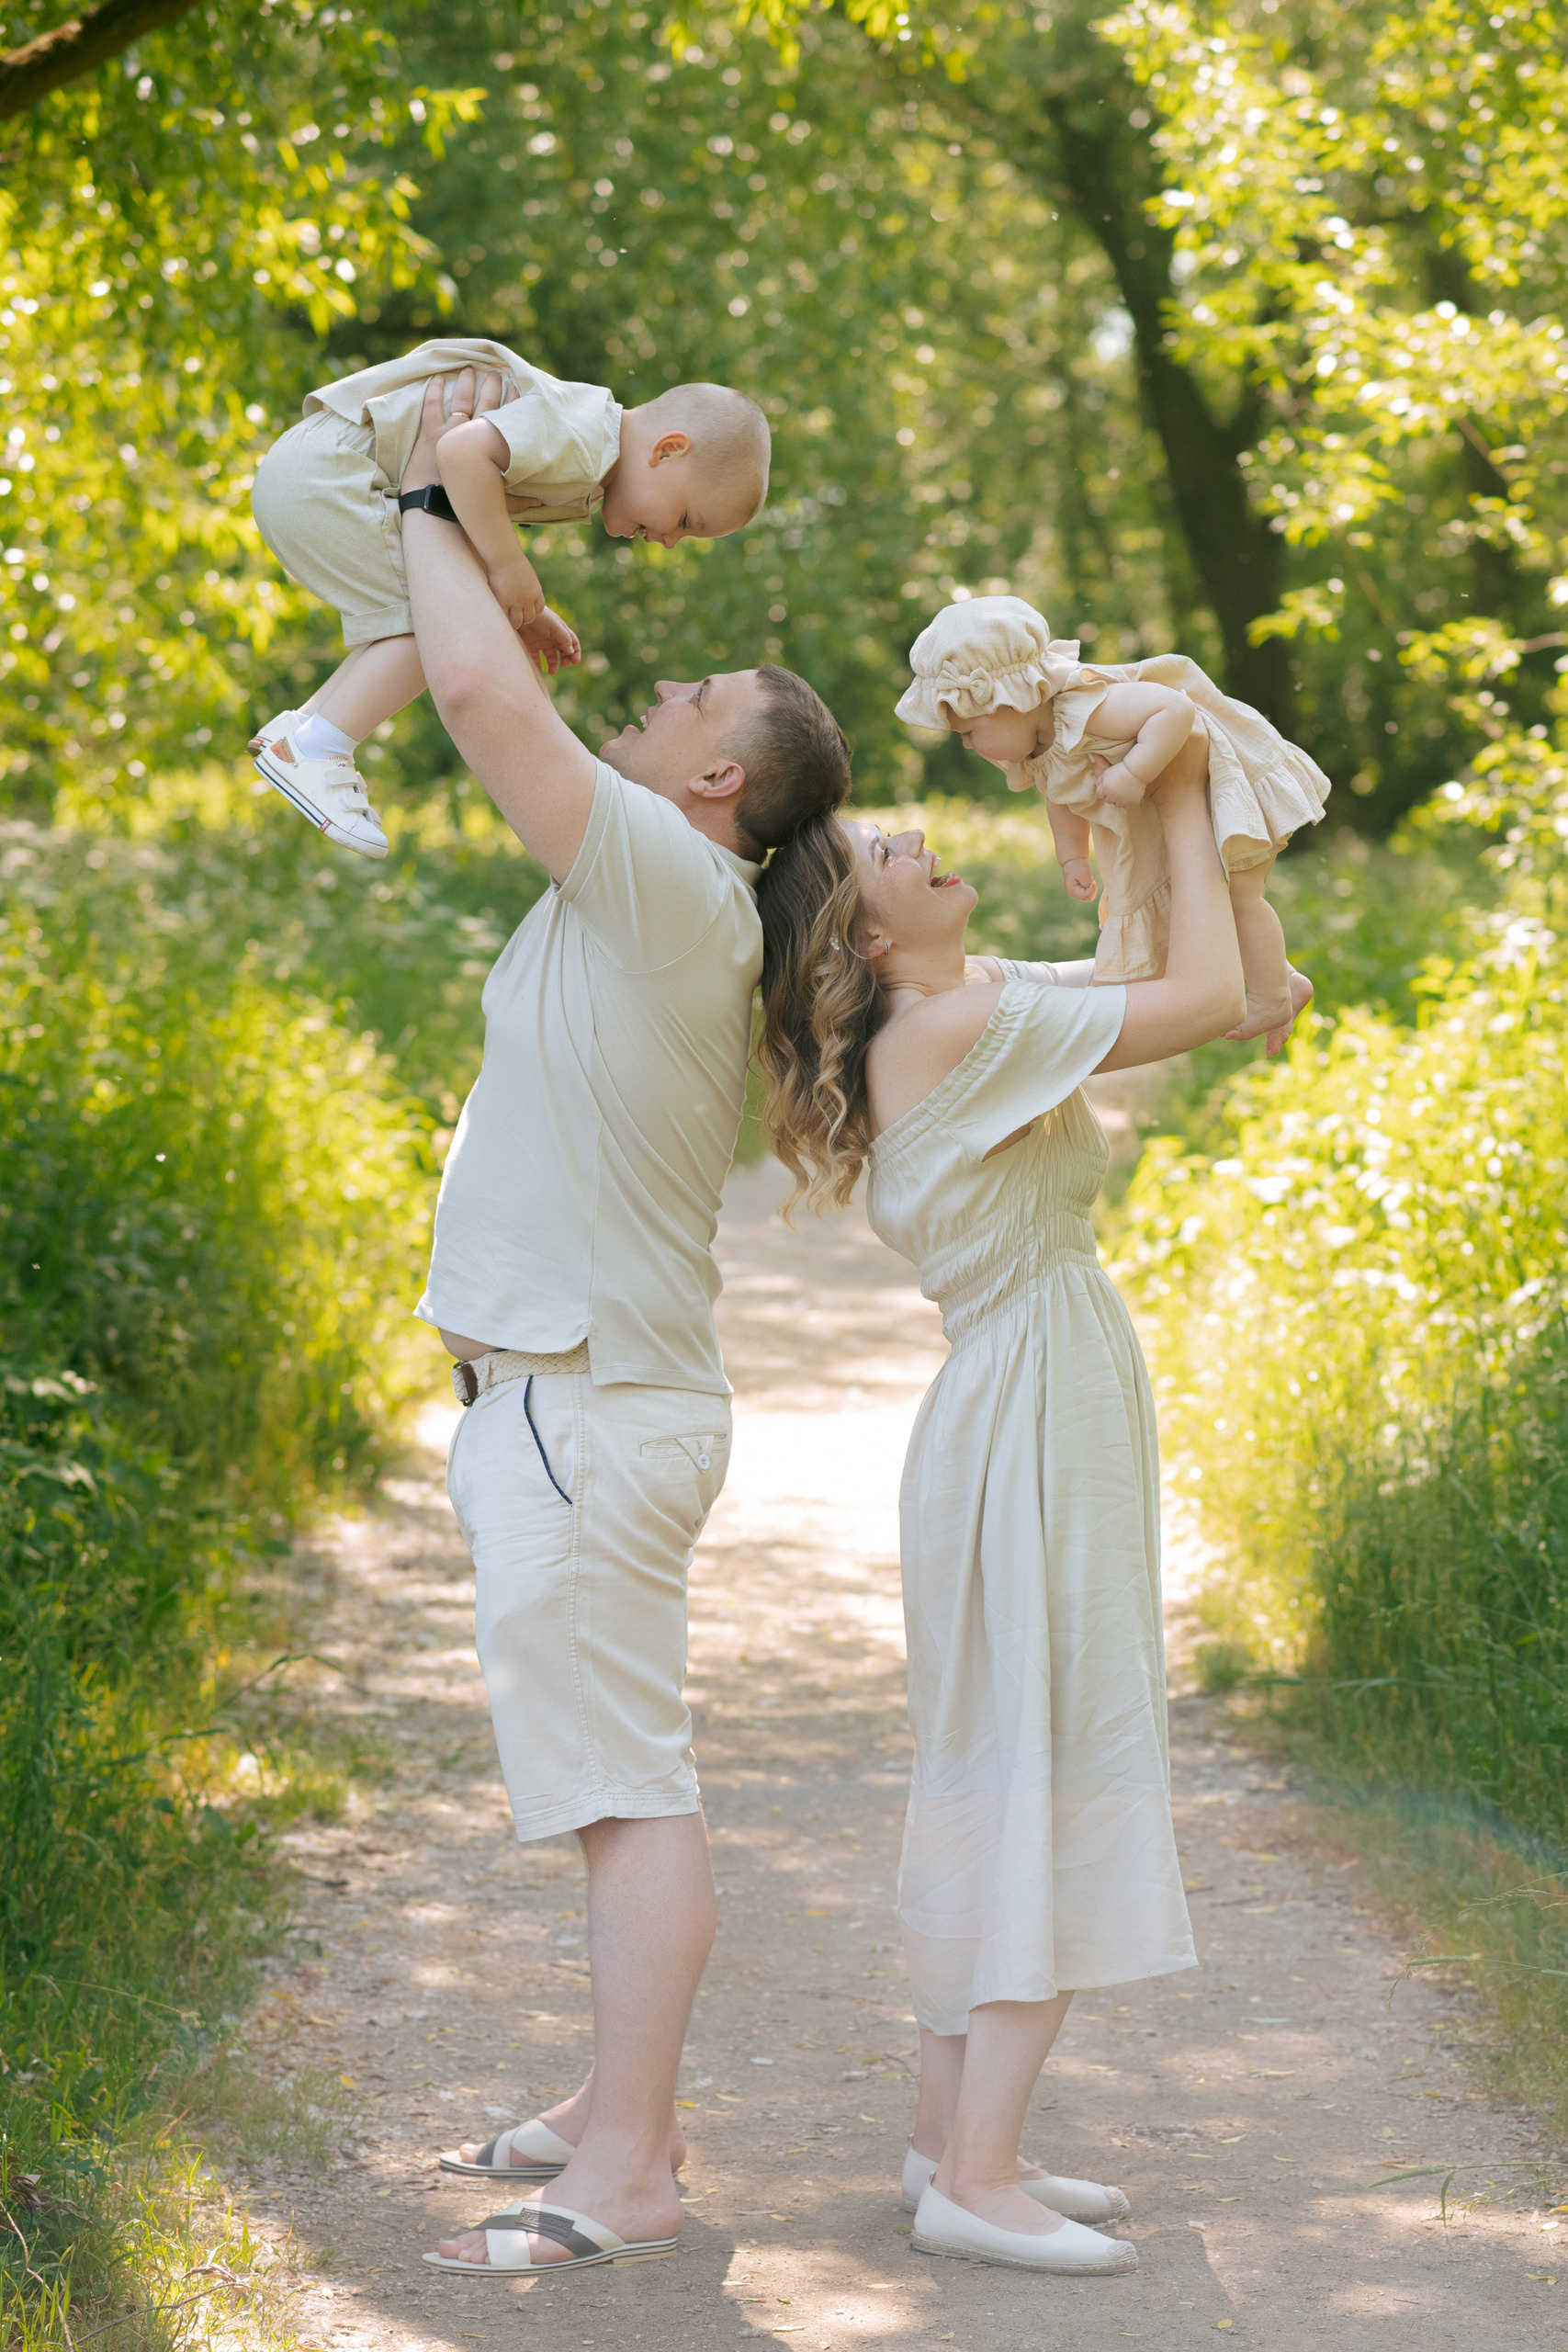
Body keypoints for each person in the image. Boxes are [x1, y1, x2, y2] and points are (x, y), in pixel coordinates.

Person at [393, 369, 850, 2279]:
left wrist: (433, 492)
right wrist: (482, 524)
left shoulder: (670, 879)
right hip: (576, 1399)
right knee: (615, 1779)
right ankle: (614, 2101)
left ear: (716, 775)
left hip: (584, 1407)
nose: (647, 703)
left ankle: (635, 2170)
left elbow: (492, 707)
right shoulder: (671, 886)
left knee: (622, 1795)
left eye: (674, 707)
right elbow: (510, 684)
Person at [752, 728, 1260, 2276]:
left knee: (995, 1766)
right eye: (883, 857)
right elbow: (1207, 998)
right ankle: (975, 2179)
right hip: (1028, 1410)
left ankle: (948, 2145)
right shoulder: (949, 1026)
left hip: (1028, 1398)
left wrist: (1133, 810)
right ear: (866, 936)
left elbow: (1168, 964)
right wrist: (1168, 784)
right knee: (1039, 1762)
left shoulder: (954, 1014)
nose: (911, 839)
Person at [248, 335, 770, 858]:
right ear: (669, 449)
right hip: (329, 477)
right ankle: (318, 748)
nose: (669, 541)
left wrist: (525, 607)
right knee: (437, 621)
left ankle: (303, 731)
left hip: (314, 473)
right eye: (684, 521)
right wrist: (508, 565)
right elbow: (459, 451)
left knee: (428, 612)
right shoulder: (587, 437)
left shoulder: (585, 442)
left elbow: (457, 509)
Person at [897, 594, 1326, 1052]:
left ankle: (1272, 995)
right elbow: (1059, 796)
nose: (966, 745)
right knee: (1209, 903)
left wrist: (1134, 771)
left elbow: (1174, 710)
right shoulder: (1040, 747)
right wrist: (1072, 857)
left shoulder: (1087, 705)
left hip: (1219, 790)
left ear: (1012, 700)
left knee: (1240, 897)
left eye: (967, 732)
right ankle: (1286, 978)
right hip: (1173, 815)